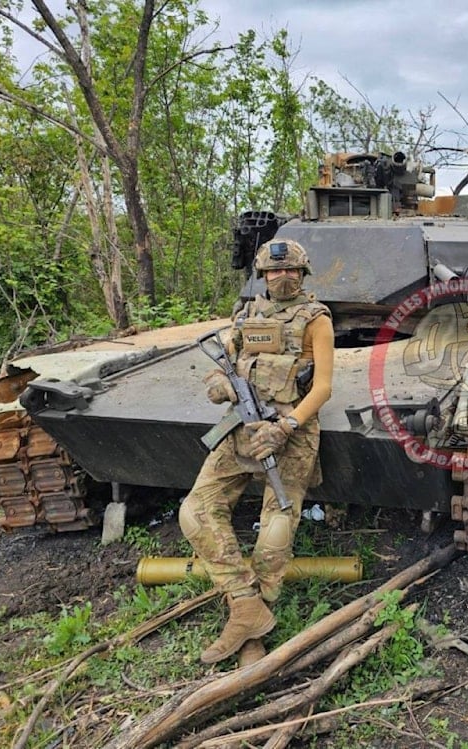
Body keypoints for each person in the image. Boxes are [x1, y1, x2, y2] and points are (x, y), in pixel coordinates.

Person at [179, 238, 334, 666]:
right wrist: (219, 384)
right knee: (194, 512)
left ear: (302, 274)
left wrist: (285, 427)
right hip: (240, 429)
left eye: (291, 271)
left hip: (291, 432)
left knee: (276, 528)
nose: (282, 278)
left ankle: (251, 620)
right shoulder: (245, 314)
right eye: (273, 271)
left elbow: (322, 386)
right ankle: (246, 604)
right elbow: (222, 360)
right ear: (262, 275)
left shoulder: (316, 319)